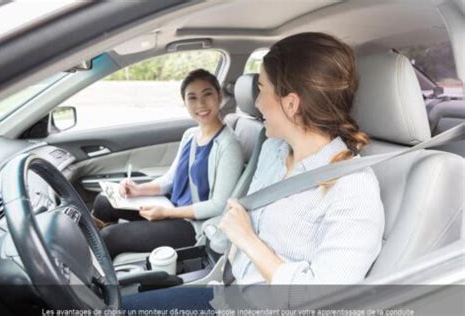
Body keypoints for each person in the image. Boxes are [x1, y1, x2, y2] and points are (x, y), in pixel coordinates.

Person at [123, 32, 385, 310]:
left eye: (261, 88)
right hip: (226, 296)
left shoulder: (352, 188)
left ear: (291, 104)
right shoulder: (274, 150)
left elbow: (322, 301)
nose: (256, 103)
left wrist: (247, 239)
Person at [92, 69, 244, 259]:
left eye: (207, 94)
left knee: (109, 237)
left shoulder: (229, 145)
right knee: (103, 202)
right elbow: (170, 179)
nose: (201, 104)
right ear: (185, 103)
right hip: (170, 206)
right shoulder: (190, 135)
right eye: (192, 98)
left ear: (219, 96)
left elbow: (218, 205)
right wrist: (138, 190)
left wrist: (167, 213)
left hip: (194, 224)